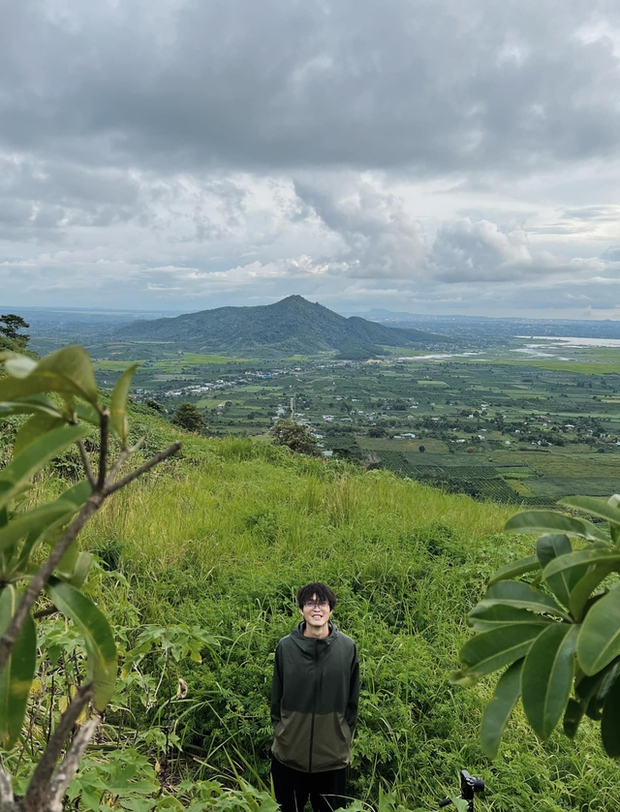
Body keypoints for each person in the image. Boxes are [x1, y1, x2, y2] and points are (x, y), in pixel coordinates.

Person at [270, 582, 359, 812]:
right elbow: (276, 700)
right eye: (310, 603)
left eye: (322, 603)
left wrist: (342, 738)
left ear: (331, 609)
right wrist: (283, 733)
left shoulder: (347, 648)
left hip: (332, 760)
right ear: (301, 609)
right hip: (289, 758)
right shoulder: (286, 647)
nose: (316, 608)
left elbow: (352, 703)